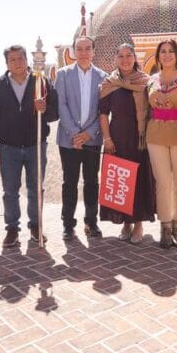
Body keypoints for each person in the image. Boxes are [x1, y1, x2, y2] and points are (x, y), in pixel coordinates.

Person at [0, 44, 59, 247]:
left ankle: (36, 226)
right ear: (7, 63)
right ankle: (12, 229)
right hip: (8, 148)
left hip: (35, 145)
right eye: (13, 60)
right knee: (10, 190)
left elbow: (55, 112)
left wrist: (44, 110)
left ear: (27, 60)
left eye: (20, 58)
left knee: (36, 188)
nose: (17, 63)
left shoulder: (41, 82)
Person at [98, 43, 156, 242]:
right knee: (121, 180)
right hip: (116, 138)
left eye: (128, 55)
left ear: (135, 57)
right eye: (121, 56)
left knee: (138, 180)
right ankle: (125, 223)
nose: (125, 60)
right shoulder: (109, 83)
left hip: (140, 139)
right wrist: (107, 139)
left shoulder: (146, 82)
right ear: (116, 59)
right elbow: (103, 114)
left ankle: (138, 224)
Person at [55, 36, 108, 240]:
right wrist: (75, 134)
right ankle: (68, 225)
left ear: (93, 51)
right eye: (79, 49)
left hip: (92, 139)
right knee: (69, 182)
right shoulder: (63, 75)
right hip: (68, 140)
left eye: (87, 49)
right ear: (73, 52)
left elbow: (103, 111)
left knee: (92, 182)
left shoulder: (103, 77)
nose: (84, 53)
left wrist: (89, 133)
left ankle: (91, 222)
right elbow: (62, 106)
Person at [147, 39, 177, 249]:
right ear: (158, 56)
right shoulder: (151, 80)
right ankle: (164, 226)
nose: (166, 55)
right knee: (162, 183)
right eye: (163, 51)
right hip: (155, 135)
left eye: (171, 51)